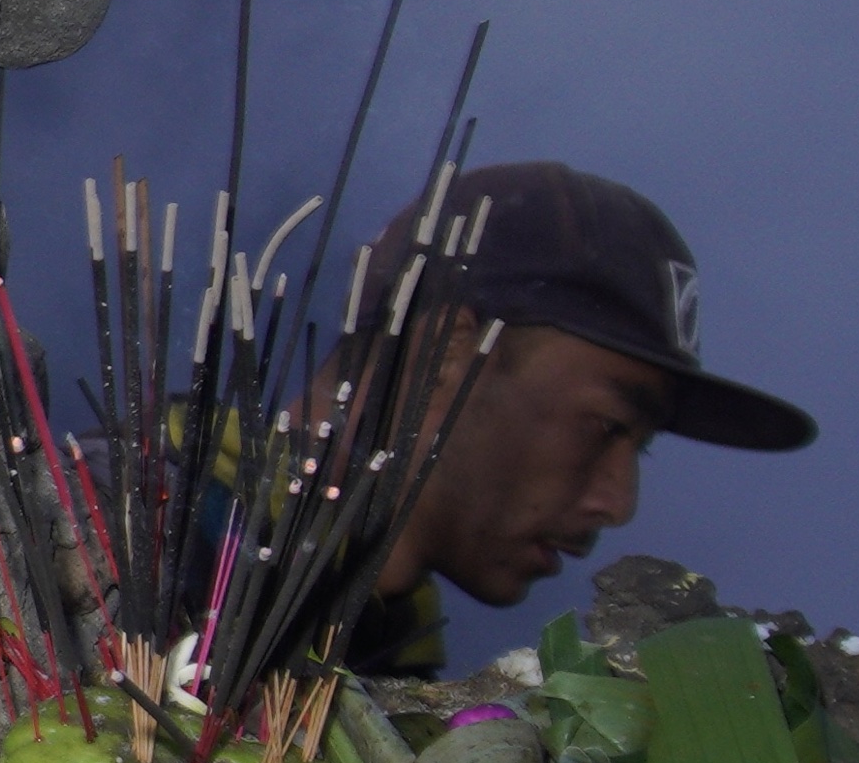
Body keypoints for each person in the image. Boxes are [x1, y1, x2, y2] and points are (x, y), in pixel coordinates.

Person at [346, 159, 816, 673]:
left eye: (642, 447)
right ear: (445, 352)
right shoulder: (277, 614)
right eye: (607, 426)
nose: (618, 505)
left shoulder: (373, 651)